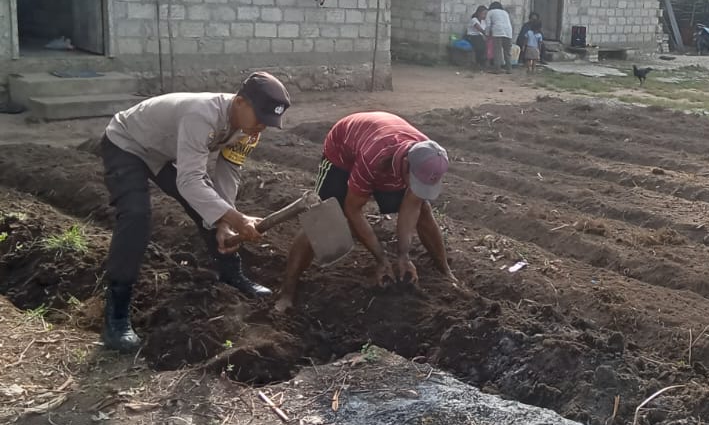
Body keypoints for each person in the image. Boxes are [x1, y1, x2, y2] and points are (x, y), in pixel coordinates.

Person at [99, 72, 292, 352]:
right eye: (260, 117)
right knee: (136, 216)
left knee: (208, 205)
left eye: (268, 122)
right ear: (240, 102)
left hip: (162, 151)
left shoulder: (249, 131)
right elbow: (188, 181)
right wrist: (238, 219)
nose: (262, 127)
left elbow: (229, 171)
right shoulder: (201, 116)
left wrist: (227, 222)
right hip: (127, 144)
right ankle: (116, 315)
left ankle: (231, 274)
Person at [276, 111, 457, 312]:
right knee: (322, 216)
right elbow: (353, 209)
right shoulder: (375, 156)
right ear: (405, 165)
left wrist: (403, 256)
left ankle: (446, 271)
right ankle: (287, 293)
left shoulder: (430, 157)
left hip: (382, 146)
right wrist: (381, 259)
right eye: (415, 182)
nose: (416, 188)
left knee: (423, 209)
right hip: (343, 149)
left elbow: (412, 205)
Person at [486, 0, 513, 72]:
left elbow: (488, 25)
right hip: (508, 32)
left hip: (498, 31)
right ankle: (509, 68)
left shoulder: (490, 12)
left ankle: (497, 68)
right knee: (507, 51)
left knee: (497, 51)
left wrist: (487, 34)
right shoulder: (505, 12)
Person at [466, 5, 488, 69]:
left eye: (486, 14)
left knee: (484, 45)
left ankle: (482, 63)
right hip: (472, 36)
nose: (485, 15)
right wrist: (486, 34)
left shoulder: (484, 22)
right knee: (480, 46)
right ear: (478, 13)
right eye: (483, 14)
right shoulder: (474, 20)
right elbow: (480, 29)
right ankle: (479, 63)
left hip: (480, 36)